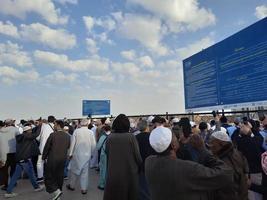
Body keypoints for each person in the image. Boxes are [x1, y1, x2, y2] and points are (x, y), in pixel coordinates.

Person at [145, 126, 233, 200]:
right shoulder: (187, 168)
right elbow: (226, 174)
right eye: (175, 137)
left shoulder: (149, 162)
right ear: (173, 145)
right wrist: (202, 149)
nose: (178, 138)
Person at [103, 114, 142, 200]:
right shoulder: (131, 137)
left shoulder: (110, 137)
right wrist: (140, 167)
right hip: (129, 173)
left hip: (113, 174)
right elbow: (137, 155)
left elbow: (107, 152)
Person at [4, 125, 44, 198]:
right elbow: (36, 134)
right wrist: (41, 125)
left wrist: (37, 126)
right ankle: (37, 187)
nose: (31, 131)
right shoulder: (26, 136)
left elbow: (34, 132)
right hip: (25, 159)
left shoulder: (21, 136)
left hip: (20, 159)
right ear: (27, 131)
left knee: (15, 176)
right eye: (30, 130)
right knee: (31, 174)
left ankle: (8, 192)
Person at [209, 130, 249, 200]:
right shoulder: (237, 153)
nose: (210, 146)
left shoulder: (221, 161)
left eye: (212, 143)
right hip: (242, 194)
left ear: (221, 143)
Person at [42, 120, 70, 200]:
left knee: (49, 177)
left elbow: (47, 147)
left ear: (58, 125)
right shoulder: (67, 136)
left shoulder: (53, 135)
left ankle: (56, 192)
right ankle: (58, 195)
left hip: (53, 159)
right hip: (62, 159)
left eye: (54, 124)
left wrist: (44, 157)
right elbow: (68, 147)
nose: (53, 126)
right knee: (59, 177)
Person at [235, 122, 263, 200]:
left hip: (244, 172)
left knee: (249, 193)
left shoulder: (239, 142)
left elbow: (234, 137)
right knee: (257, 194)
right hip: (257, 171)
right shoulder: (256, 142)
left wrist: (239, 129)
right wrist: (251, 129)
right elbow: (260, 138)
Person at [67, 119, 96, 195]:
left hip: (77, 155)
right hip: (87, 155)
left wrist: (70, 154)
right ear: (87, 124)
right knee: (84, 173)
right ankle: (84, 189)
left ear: (80, 124)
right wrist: (92, 154)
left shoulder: (76, 131)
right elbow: (93, 145)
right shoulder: (91, 132)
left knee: (74, 172)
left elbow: (72, 143)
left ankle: (72, 186)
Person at [136, 119, 155, 200]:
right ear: (147, 127)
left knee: (142, 188)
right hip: (152, 165)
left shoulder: (136, 138)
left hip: (140, 166)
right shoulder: (152, 137)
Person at [0, 119, 20, 190]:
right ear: (11, 123)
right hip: (13, 152)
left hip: (3, 152)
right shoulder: (15, 130)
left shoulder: (1, 130)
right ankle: (13, 182)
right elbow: (19, 139)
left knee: (4, 170)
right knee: (13, 168)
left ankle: (5, 185)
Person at [37, 115, 56, 183]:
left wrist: (41, 141)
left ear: (48, 120)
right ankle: (51, 176)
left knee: (40, 162)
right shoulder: (55, 127)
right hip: (51, 147)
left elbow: (38, 137)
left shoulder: (43, 126)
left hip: (42, 147)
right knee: (49, 162)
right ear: (54, 120)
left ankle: (40, 177)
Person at [96, 125, 111, 190]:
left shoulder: (103, 137)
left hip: (104, 155)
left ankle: (102, 185)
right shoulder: (113, 136)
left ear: (104, 130)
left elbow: (98, 147)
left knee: (103, 170)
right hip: (111, 155)